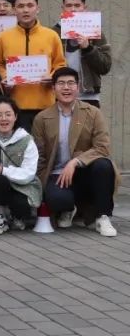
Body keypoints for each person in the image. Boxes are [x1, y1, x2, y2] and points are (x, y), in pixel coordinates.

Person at [32, 67, 118, 237]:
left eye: (71, 83)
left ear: (78, 87)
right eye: (61, 83)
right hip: (58, 175)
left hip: (84, 171)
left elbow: (102, 147)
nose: (66, 88)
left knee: (103, 165)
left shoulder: (93, 113)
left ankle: (103, 216)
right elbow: (39, 157)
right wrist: (41, 188)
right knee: (58, 200)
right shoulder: (42, 118)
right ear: (53, 88)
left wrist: (75, 162)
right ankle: (68, 209)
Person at [0, 0, 66, 131]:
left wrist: (52, 77)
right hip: (14, 107)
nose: (25, 10)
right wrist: (5, 78)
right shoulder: (3, 37)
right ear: (14, 10)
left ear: (38, 8)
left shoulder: (51, 36)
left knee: (46, 144)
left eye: (30, 5)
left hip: (46, 105)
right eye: (20, 6)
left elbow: (60, 64)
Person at [0, 97, 42, 234]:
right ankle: (0, 217)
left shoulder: (26, 140)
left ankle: (17, 217)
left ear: (15, 116)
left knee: (21, 204)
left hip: (21, 187)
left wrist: (3, 170)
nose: (4, 119)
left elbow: (29, 173)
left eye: (8, 114)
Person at [52, 0, 111, 109]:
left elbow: (105, 66)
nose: (73, 9)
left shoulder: (95, 32)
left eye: (77, 5)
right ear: (62, 8)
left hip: (89, 96)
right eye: (69, 5)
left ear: (84, 7)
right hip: (60, 96)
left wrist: (88, 48)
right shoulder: (53, 33)